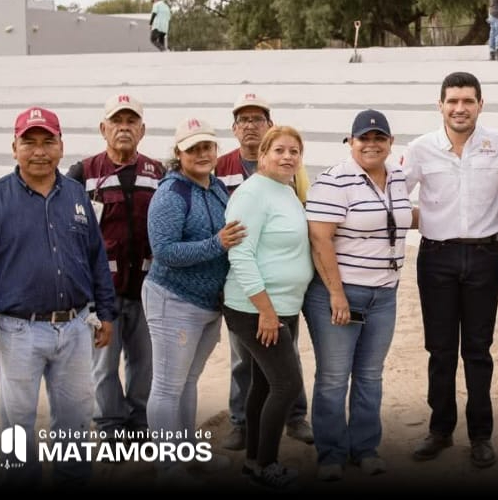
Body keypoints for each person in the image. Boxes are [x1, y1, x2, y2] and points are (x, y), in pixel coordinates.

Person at [0, 106, 116, 486]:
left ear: (62, 147)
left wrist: (106, 311)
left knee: (75, 420)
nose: (40, 151)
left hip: (77, 327)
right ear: (14, 147)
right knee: (16, 422)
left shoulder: (77, 195)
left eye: (48, 142)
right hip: (18, 331)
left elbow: (97, 258)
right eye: (29, 142)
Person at [402, 71, 498, 468]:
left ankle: (480, 434)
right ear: (440, 105)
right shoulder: (420, 148)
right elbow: (392, 193)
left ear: (480, 104)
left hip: (485, 257)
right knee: (439, 350)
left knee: (478, 350)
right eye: (452, 101)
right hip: (436, 258)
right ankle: (440, 430)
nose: (460, 108)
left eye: (467, 101)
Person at [304, 110, 414, 481]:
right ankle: (331, 454)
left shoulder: (398, 177)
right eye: (363, 138)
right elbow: (320, 238)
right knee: (334, 377)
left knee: (370, 375)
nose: (371, 144)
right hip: (340, 292)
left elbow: (403, 219)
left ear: (390, 142)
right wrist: (336, 293)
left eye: (378, 138)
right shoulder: (334, 180)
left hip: (385, 293)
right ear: (350, 142)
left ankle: (365, 448)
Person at [145, 117, 245, 483]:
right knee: (168, 386)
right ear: (178, 153)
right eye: (193, 149)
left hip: (206, 304)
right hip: (173, 299)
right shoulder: (171, 194)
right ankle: (167, 467)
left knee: (188, 382)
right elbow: (165, 251)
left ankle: (186, 455)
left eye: (207, 147)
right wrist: (216, 243)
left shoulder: (216, 187)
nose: (202, 154)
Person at [217, 92, 314, 449]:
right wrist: (267, 312)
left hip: (283, 306)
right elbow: (241, 257)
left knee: (262, 383)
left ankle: (255, 459)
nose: (288, 157)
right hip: (256, 308)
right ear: (263, 155)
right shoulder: (251, 193)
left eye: (294, 151)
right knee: (286, 385)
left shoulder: (286, 190)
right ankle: (265, 463)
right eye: (280, 151)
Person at [65, 94, 162, 441]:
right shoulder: (82, 173)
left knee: (144, 364)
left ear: (143, 129)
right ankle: (111, 429)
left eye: (131, 121)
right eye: (117, 122)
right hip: (101, 293)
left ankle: (141, 424)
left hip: (147, 288)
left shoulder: (157, 172)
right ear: (103, 129)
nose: (124, 128)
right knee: (103, 367)